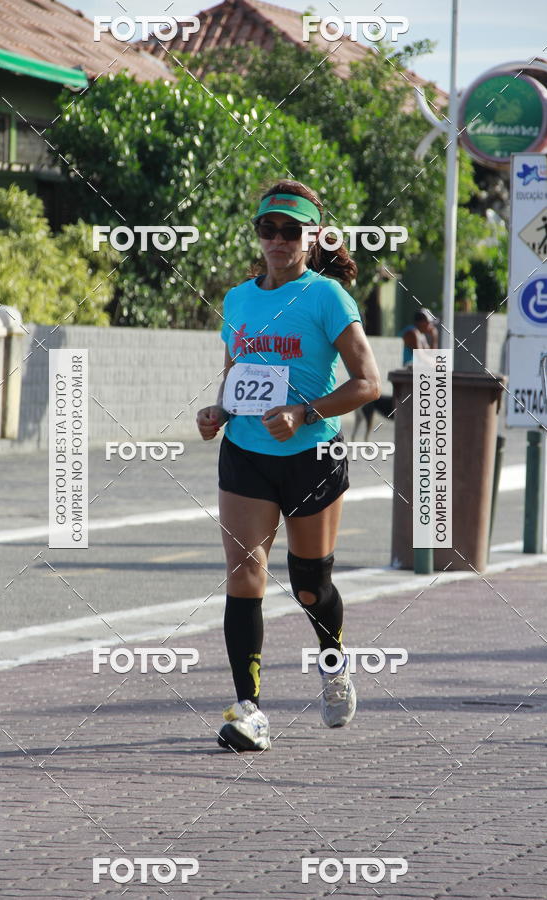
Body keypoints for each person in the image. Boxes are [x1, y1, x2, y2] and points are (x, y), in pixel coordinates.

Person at [196, 180, 381, 752]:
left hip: (312, 454)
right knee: (244, 573)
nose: (278, 240)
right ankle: (249, 711)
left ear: (311, 237)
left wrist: (304, 413)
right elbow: (237, 371)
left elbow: (367, 383)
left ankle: (333, 663)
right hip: (247, 453)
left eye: (290, 231)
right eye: (267, 229)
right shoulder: (237, 300)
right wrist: (219, 410)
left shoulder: (327, 297)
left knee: (308, 586)